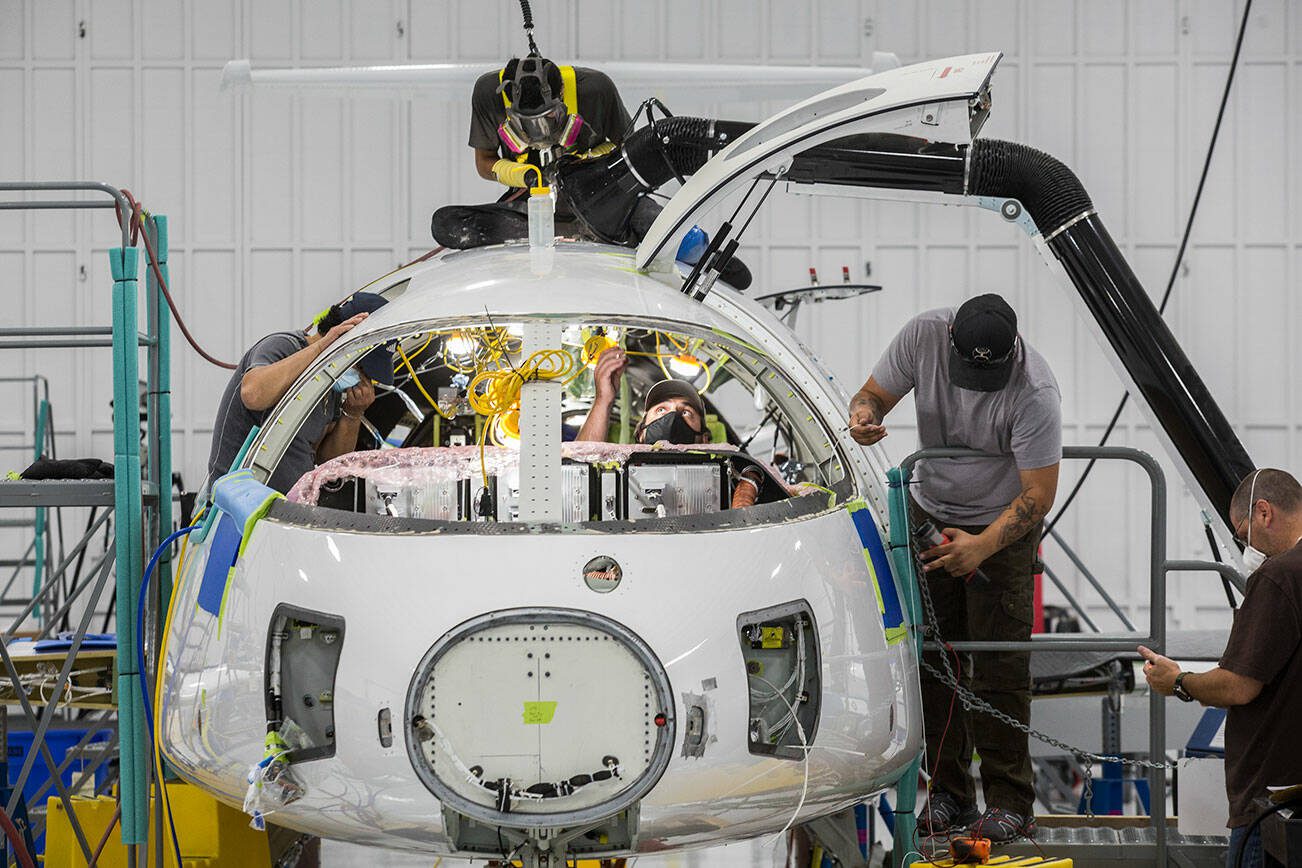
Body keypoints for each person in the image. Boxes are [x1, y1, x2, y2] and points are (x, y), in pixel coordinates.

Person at [849, 293, 1061, 842]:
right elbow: (871, 394)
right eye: (966, 372)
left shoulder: (1035, 390)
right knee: (934, 664)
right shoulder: (922, 335)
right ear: (950, 344)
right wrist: (865, 415)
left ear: (1012, 354)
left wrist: (983, 547)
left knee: (999, 669)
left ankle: (1012, 801)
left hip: (1002, 527)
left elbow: (1038, 495)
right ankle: (948, 795)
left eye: (986, 378)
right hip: (930, 515)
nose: (972, 387)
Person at [1139, 469, 1302, 868]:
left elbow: (1238, 687)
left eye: (1243, 534)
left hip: (1271, 807)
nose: (1247, 547)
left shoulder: (1281, 575)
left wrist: (1177, 680)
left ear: (1264, 512)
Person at [432, 54, 651, 250]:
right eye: (525, 122)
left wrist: (585, 164)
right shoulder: (489, 94)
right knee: (446, 223)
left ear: (562, 94)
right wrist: (523, 175)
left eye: (547, 118)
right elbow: (484, 162)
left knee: (653, 220)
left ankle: (585, 227)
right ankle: (575, 231)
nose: (538, 133)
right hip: (531, 206)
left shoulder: (595, 89)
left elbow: (632, 149)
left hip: (596, 199)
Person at [206, 292, 394, 493]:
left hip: (284, 508)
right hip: (237, 507)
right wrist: (323, 348)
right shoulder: (283, 347)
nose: (362, 377)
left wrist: (352, 414)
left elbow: (329, 465)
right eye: (361, 367)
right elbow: (253, 395)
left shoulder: (332, 385)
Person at [576, 348, 708, 446]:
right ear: (640, 434)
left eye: (686, 412)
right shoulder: (622, 473)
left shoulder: (721, 477)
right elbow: (582, 466)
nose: (672, 418)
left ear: (704, 439)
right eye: (661, 410)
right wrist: (603, 400)